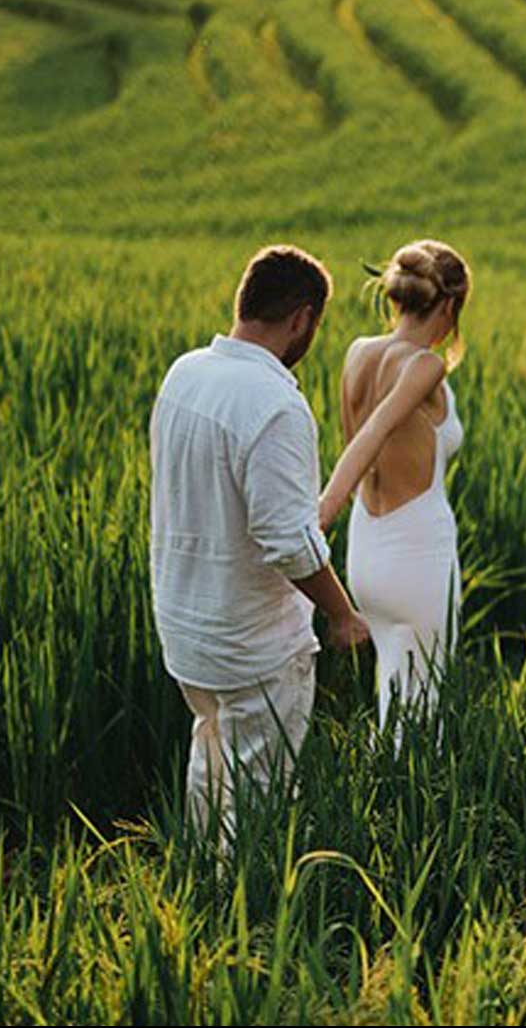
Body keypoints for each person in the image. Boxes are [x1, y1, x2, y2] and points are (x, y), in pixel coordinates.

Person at [149, 244, 371, 846]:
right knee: (258, 796)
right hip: (251, 641)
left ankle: (195, 886)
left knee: (210, 758)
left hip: (185, 626)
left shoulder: (184, 373)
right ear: (301, 319)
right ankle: (238, 920)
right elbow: (289, 546)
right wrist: (342, 613)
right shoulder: (275, 404)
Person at [319, 239, 469, 738]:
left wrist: (331, 513)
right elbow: (374, 433)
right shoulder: (425, 365)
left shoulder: (359, 352)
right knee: (425, 704)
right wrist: (321, 512)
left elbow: (354, 435)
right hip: (418, 554)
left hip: (367, 552)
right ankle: (411, 807)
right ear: (449, 305)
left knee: (394, 690)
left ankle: (382, 793)